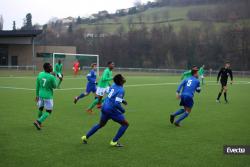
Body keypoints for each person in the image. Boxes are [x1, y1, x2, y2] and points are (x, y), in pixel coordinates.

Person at [81, 74, 129, 147]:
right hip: (111, 109)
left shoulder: (113, 85)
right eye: (123, 77)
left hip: (104, 107)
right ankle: (114, 141)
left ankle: (85, 137)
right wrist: (123, 110)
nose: (124, 78)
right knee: (125, 124)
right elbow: (116, 104)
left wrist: (122, 100)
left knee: (101, 124)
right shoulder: (121, 90)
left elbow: (112, 95)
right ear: (120, 81)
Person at [33, 63, 57, 130]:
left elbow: (37, 85)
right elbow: (55, 86)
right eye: (50, 67)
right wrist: (55, 77)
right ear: (46, 68)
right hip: (48, 96)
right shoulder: (51, 77)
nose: (51, 67)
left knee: (40, 108)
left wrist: (37, 95)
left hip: (40, 95)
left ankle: (39, 123)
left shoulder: (40, 74)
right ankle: (38, 121)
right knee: (49, 111)